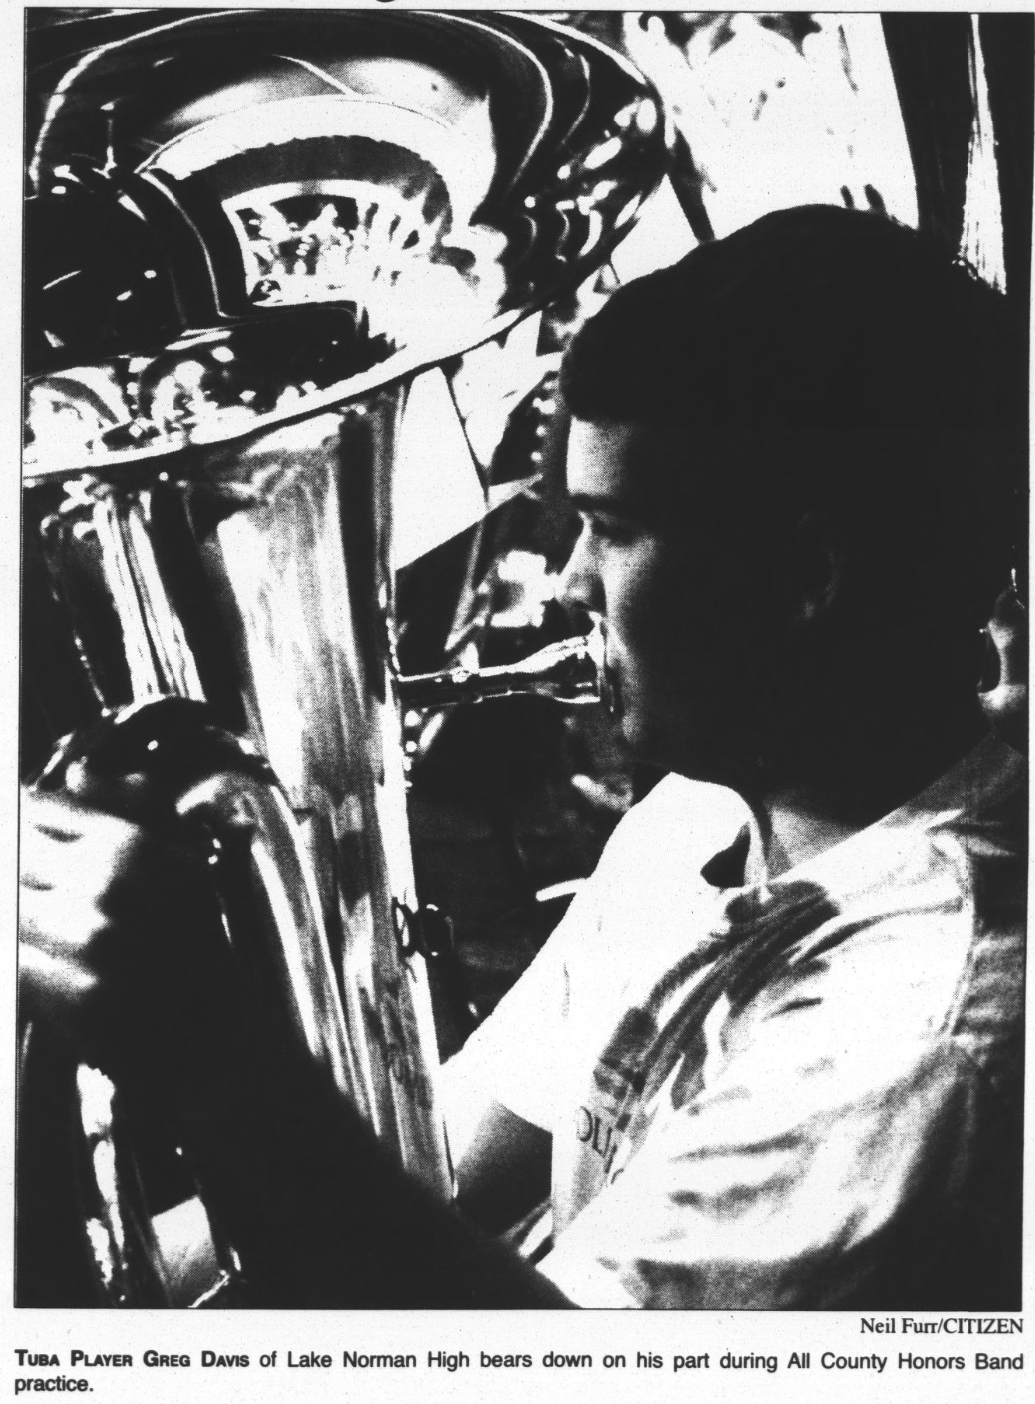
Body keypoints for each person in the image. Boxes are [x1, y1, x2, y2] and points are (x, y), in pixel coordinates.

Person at [19, 205, 1026, 1308]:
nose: (570, 582)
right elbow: (437, 1162)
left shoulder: (913, 1033)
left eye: (614, 525)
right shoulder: (695, 823)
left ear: (805, 574)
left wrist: (212, 1051)